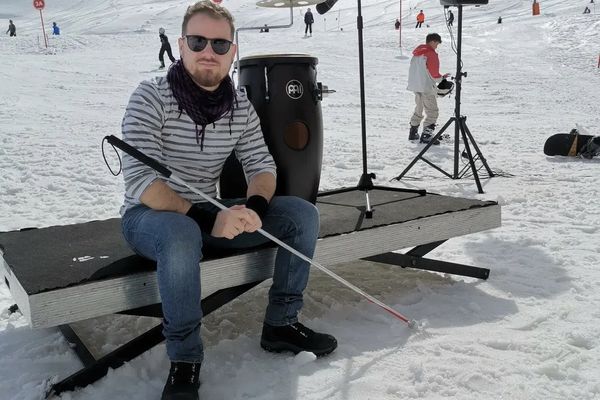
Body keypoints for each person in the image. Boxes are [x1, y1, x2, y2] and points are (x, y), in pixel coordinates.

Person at [119, 1, 337, 399]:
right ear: (181, 45)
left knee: (301, 215)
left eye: (220, 44)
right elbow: (141, 181)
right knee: (182, 234)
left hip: (207, 213)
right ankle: (185, 359)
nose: (209, 51)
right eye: (199, 40)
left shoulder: (238, 106)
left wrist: (253, 209)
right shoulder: (150, 96)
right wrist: (208, 220)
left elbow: (261, 166)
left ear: (233, 51)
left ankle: (281, 325)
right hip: (149, 217)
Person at [406, 33, 449, 144]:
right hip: (426, 87)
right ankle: (426, 135)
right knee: (432, 111)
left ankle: (413, 133)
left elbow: (422, 71)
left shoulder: (417, 54)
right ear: (433, 41)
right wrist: (441, 79)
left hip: (416, 85)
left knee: (419, 109)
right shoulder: (431, 53)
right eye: (437, 44)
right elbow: (434, 73)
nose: (437, 46)